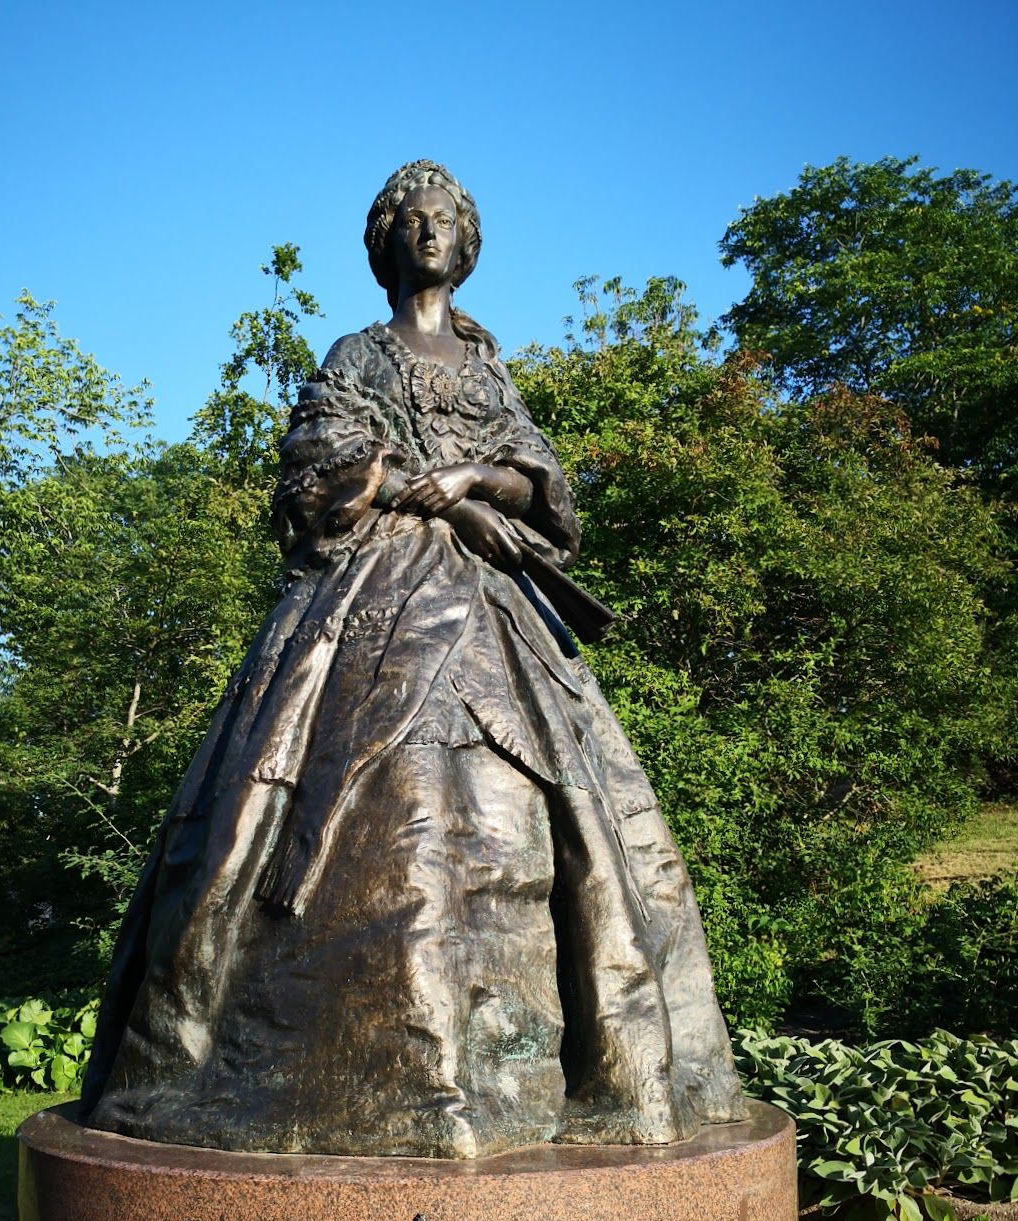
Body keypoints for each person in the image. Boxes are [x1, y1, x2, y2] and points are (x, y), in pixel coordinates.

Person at [79, 161, 747, 1157]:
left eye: (446, 219)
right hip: (372, 604)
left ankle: (589, 1075)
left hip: (497, 605)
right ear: (385, 242)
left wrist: (477, 476)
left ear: (467, 244)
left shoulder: (487, 368)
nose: (429, 230)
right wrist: (394, 484)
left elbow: (541, 482)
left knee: (578, 822)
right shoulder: (358, 353)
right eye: (412, 218)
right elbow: (311, 468)